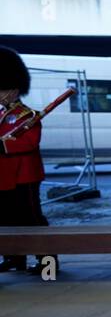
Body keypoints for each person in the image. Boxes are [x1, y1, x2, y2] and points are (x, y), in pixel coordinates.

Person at [0, 46, 46, 275]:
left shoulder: (28, 116)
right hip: (5, 177)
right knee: (7, 219)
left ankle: (47, 261)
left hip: (24, 175)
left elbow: (30, 143)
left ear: (14, 90)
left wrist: (4, 144)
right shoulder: (2, 114)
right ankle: (14, 258)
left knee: (32, 219)